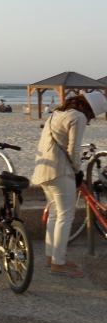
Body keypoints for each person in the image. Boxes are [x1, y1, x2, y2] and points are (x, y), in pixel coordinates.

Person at [31, 91, 107, 277]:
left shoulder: (57, 113)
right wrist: (77, 170)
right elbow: (74, 150)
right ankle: (58, 263)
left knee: (55, 214)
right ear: (88, 109)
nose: (90, 120)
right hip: (60, 170)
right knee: (65, 216)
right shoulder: (78, 117)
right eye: (92, 116)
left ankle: (51, 257)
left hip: (44, 169)